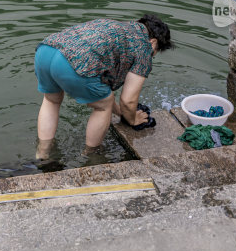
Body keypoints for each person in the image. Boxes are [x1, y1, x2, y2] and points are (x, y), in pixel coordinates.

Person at [34, 14, 173, 158]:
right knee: (103, 106)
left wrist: (120, 112)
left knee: (51, 101)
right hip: (71, 63)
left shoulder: (118, 28)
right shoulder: (144, 47)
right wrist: (133, 119)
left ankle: (42, 154)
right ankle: (90, 156)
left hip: (46, 51)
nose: (152, 56)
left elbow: (104, 89)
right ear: (153, 42)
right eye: (155, 53)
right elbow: (128, 100)